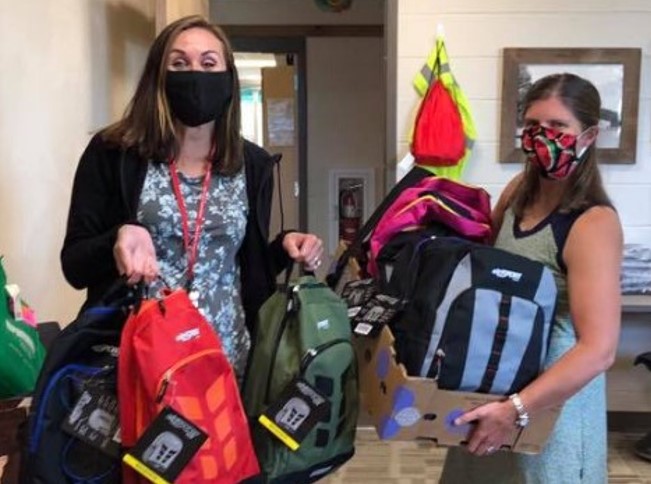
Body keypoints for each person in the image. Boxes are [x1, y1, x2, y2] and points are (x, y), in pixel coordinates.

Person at [60, 15, 324, 380]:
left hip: (226, 364)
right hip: (138, 366)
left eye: (209, 63)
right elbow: (74, 265)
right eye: (179, 63)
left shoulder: (252, 164)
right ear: (158, 75)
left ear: (227, 78)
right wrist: (117, 238)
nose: (195, 73)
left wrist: (285, 247)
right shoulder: (113, 153)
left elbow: (244, 268)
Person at [440, 73, 622, 483]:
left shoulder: (593, 222)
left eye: (558, 128)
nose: (544, 138)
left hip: (550, 406)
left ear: (589, 136)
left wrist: (517, 409)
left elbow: (598, 350)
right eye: (533, 127)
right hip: (497, 387)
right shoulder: (517, 192)